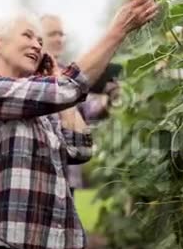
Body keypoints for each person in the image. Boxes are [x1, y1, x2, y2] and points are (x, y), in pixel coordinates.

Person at [0, 0, 158, 249]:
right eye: (28, 36)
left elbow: (80, 148)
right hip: (10, 242)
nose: (36, 45)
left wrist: (55, 76)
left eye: (40, 41)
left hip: (60, 246)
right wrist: (117, 31)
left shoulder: (42, 106)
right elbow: (67, 89)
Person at [40, 14, 122, 197]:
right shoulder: (28, 74)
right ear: (39, 37)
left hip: (69, 169)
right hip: (41, 169)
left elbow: (88, 111)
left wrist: (109, 99)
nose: (59, 39)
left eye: (61, 35)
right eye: (53, 34)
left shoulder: (70, 72)